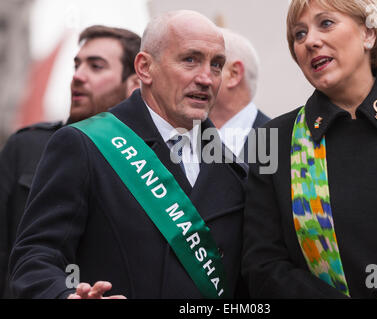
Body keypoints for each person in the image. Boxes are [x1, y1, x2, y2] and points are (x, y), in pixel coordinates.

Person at [9, 10, 247, 299]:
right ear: (145, 68)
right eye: (190, 60)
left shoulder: (236, 174)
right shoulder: (85, 145)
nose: (207, 78)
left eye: (217, 65)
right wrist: (64, 296)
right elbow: (34, 257)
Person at [242, 0, 377, 299]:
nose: (310, 41)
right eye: (299, 34)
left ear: (368, 34)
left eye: (325, 23)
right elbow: (262, 264)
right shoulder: (273, 139)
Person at [0, 25, 141, 298]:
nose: (77, 76)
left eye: (96, 66)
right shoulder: (25, 146)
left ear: (134, 85)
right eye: (77, 65)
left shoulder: (149, 165)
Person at [209, 28, 270, 161]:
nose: (197, 75)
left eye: (212, 65)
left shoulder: (281, 142)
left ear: (234, 74)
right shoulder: (183, 138)